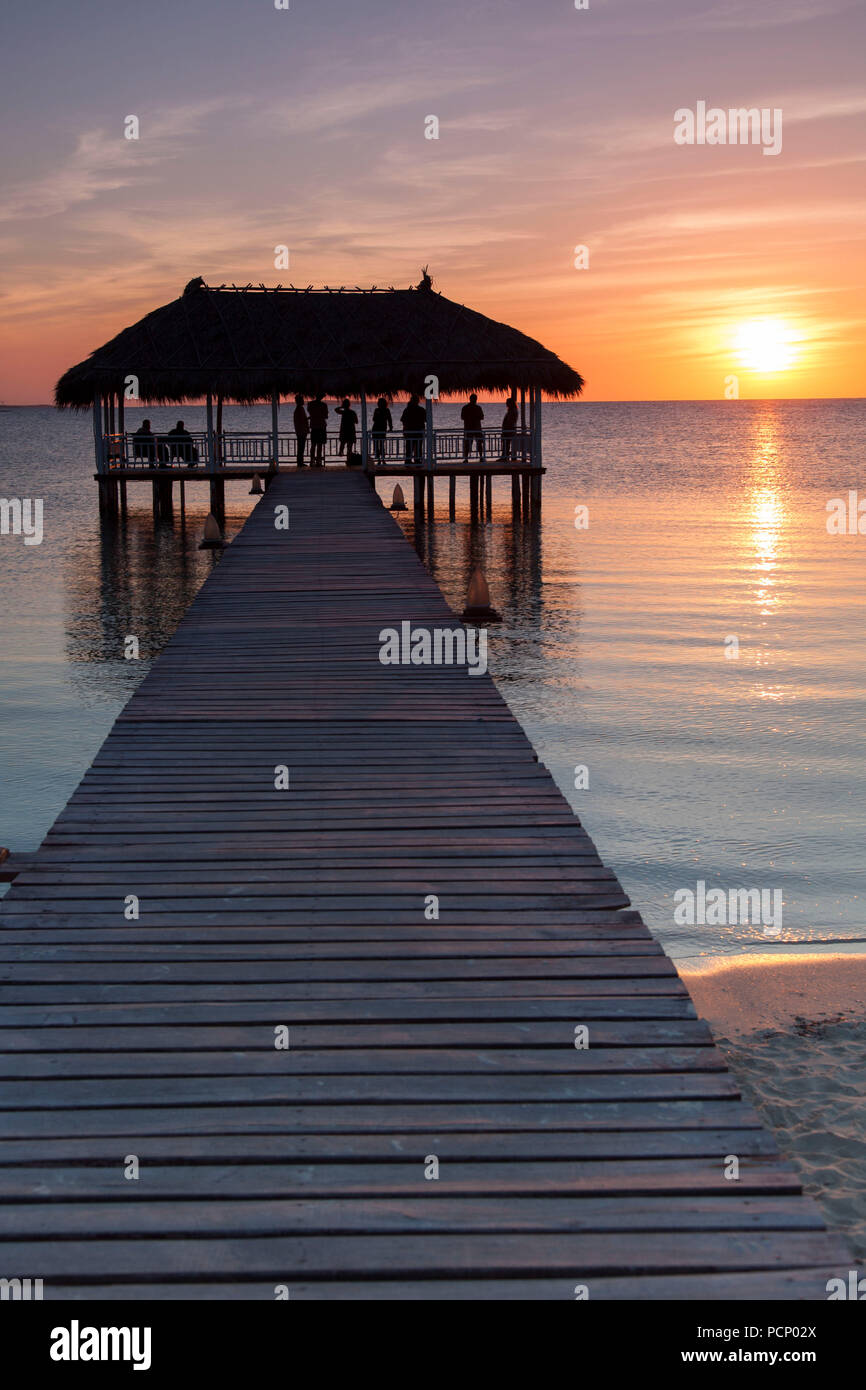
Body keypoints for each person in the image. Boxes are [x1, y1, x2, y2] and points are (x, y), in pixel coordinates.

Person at [400, 393, 426, 465]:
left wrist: (405, 430)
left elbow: (403, 420)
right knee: (417, 447)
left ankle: (408, 461)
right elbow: (426, 419)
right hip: (417, 432)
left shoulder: (407, 410)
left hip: (409, 432)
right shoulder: (421, 410)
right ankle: (417, 460)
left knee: (409, 447)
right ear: (418, 401)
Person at [461, 393, 485, 462]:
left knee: (468, 444)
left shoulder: (465, 407)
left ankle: (466, 459)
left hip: (468, 429)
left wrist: (469, 418)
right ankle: (480, 457)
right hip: (477, 428)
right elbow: (482, 417)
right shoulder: (478, 408)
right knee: (479, 443)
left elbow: (462, 417)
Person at [307, 394, 328, 467]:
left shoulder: (310, 404)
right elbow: (326, 416)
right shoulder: (324, 405)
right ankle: (318, 461)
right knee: (319, 445)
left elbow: (310, 413)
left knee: (313, 445)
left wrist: (314, 416)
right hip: (321, 426)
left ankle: (312, 460)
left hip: (314, 426)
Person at [335, 397, 358, 462]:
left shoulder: (344, 412)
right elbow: (356, 421)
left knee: (343, 444)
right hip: (350, 431)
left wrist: (341, 407)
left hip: (345, 431)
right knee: (349, 447)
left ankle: (342, 453)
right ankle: (348, 460)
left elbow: (336, 409)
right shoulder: (352, 412)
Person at [371, 397, 393, 464]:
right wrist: (390, 427)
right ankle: (380, 459)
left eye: (379, 403)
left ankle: (381, 459)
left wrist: (390, 427)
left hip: (381, 429)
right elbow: (374, 419)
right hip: (377, 429)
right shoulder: (378, 410)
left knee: (380, 445)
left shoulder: (385, 410)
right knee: (377, 445)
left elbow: (389, 419)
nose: (379, 404)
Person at [500, 394, 518, 461]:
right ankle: (504, 457)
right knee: (505, 444)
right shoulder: (511, 410)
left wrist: (506, 429)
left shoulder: (512, 411)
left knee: (506, 444)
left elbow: (510, 421)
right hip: (507, 430)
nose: (506, 404)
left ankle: (504, 457)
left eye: (507, 402)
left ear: (510, 403)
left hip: (509, 430)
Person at [293, 394, 309, 466]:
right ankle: (300, 463)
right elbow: (302, 420)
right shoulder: (299, 409)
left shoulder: (299, 409)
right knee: (301, 447)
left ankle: (300, 462)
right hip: (301, 431)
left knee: (301, 447)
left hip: (301, 431)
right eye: (302, 400)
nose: (303, 401)